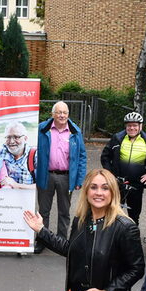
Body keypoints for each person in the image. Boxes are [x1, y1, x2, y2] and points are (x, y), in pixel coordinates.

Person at [35, 101, 87, 253]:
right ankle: (42, 241)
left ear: (68, 114)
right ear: (53, 114)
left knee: (64, 212)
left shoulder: (75, 131)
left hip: (66, 177)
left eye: (64, 112)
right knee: (44, 211)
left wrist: (79, 179)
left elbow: (82, 156)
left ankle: (62, 241)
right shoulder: (42, 129)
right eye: (59, 112)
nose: (62, 115)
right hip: (46, 176)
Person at [100, 112, 146, 225]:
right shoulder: (117, 138)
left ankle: (131, 239)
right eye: (129, 125)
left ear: (141, 126)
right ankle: (112, 239)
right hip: (117, 183)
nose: (132, 128)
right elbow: (105, 157)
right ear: (125, 126)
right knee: (112, 213)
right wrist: (110, 174)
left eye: (135, 125)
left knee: (134, 216)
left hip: (137, 184)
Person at [0, 120, 37, 188]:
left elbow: (42, 186)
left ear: (25, 138)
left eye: (16, 137)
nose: (12, 141)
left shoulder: (35, 155)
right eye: (8, 137)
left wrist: (16, 185)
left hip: (26, 197)